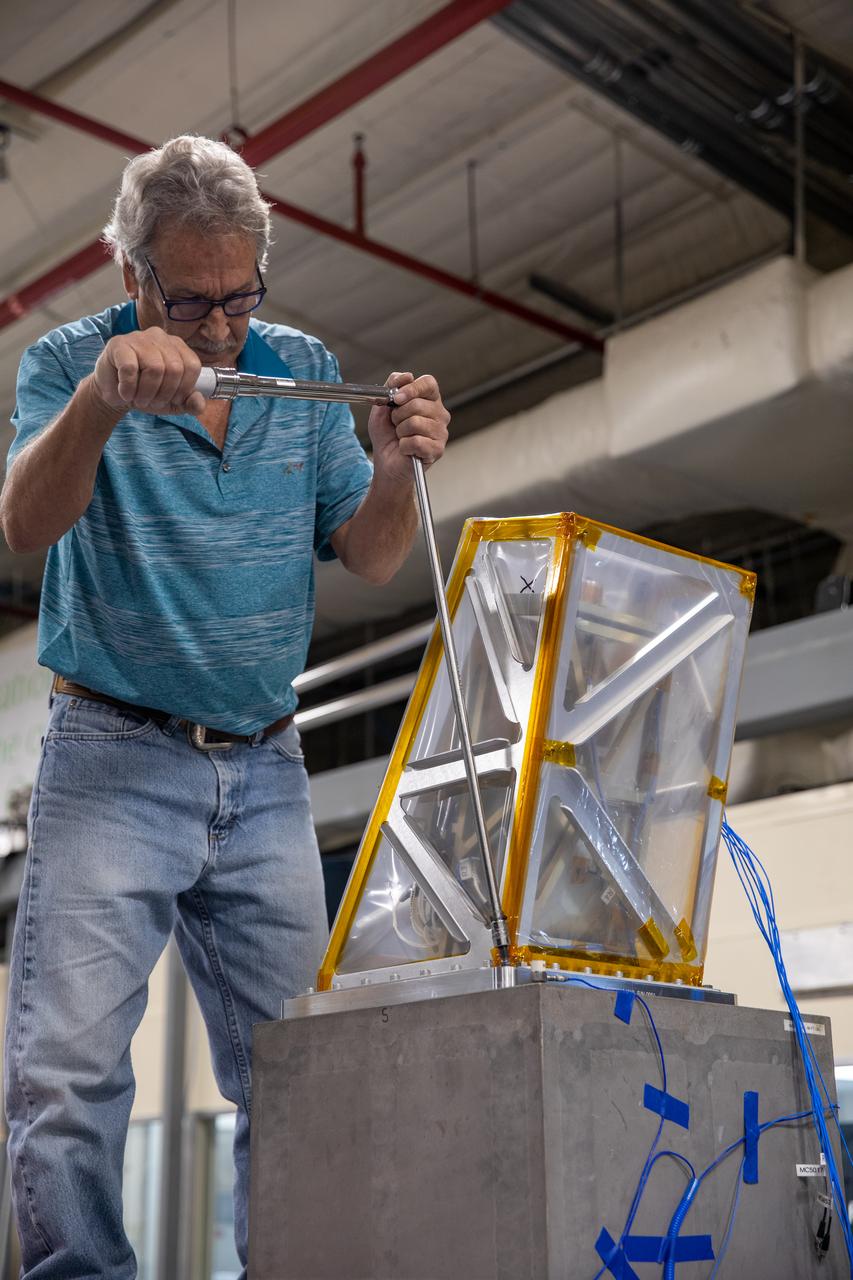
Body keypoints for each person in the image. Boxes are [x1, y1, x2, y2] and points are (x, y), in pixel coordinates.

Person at [0, 134, 449, 1278]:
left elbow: (372, 552)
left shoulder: (297, 371)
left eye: (239, 295)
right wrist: (103, 405)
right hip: (111, 756)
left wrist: (398, 462)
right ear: (130, 274)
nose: (217, 328)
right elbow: (25, 525)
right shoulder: (67, 362)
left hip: (263, 771)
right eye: (190, 300)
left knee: (301, 1064)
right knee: (67, 1077)